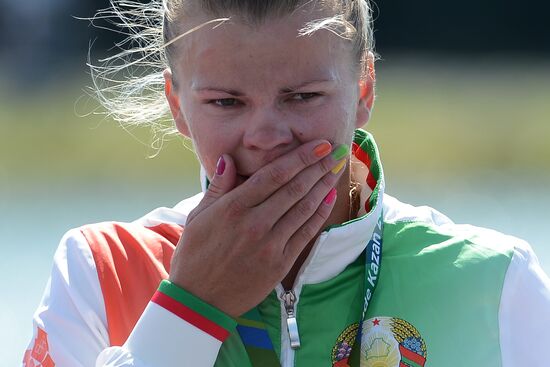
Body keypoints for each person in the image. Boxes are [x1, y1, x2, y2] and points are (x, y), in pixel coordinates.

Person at [23, 1, 550, 366]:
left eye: (302, 97)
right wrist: (189, 308)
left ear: (364, 87)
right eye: (226, 102)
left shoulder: (496, 282)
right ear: (177, 105)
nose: (268, 136)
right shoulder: (99, 271)